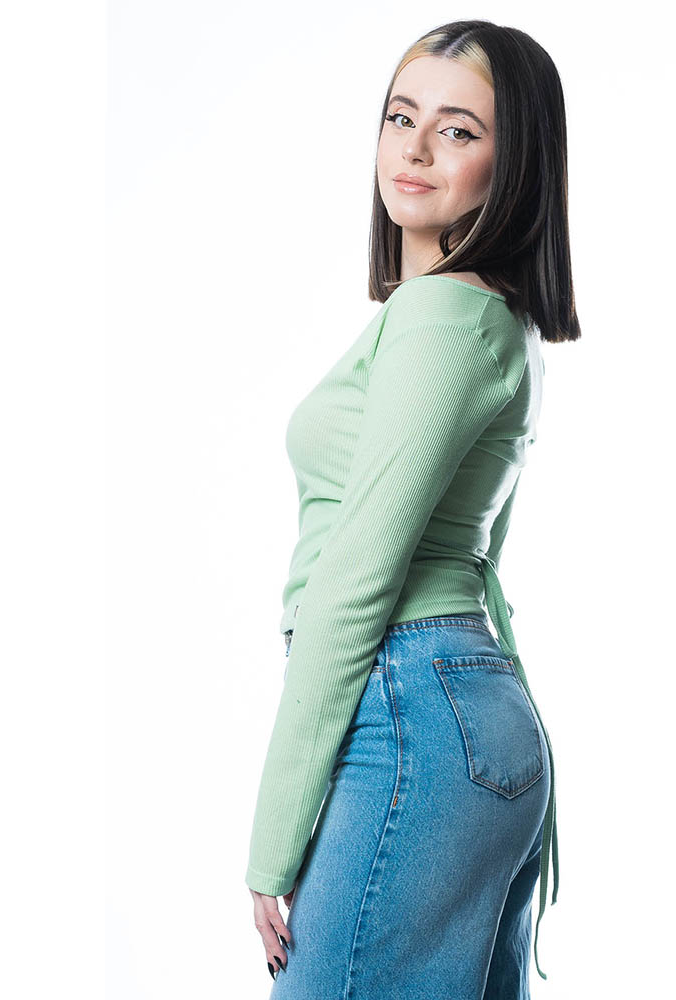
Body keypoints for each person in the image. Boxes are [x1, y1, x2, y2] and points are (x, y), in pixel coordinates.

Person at [245, 19, 580, 997]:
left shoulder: (440, 316)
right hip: (466, 710)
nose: (417, 148)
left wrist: (273, 840)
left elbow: (358, 575)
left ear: (514, 164)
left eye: (459, 129)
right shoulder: (494, 320)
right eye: (401, 117)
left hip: (410, 708)